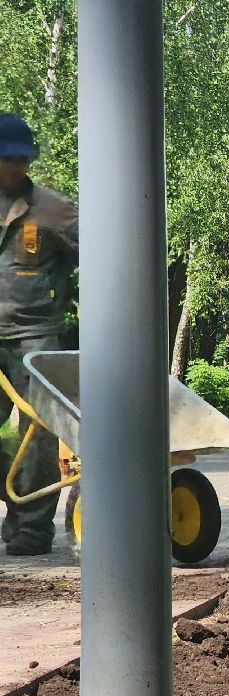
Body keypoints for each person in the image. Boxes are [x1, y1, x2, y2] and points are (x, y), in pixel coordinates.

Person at [0, 114, 77, 557]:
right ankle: (13, 492)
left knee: (40, 431)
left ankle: (30, 529)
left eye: (20, 158)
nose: (14, 167)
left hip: (37, 335)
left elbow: (104, 258)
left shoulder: (56, 211)